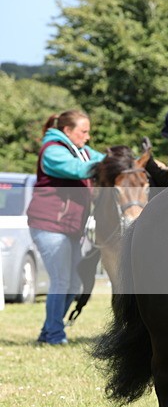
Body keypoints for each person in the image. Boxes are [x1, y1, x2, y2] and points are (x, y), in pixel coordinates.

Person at [27, 109, 105, 345]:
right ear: (67, 131)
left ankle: (50, 330)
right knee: (61, 280)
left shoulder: (80, 150)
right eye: (84, 131)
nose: (88, 136)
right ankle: (54, 335)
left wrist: (120, 160)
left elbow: (101, 158)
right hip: (49, 225)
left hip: (69, 227)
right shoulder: (52, 151)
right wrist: (111, 163)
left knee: (73, 283)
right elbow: (80, 170)